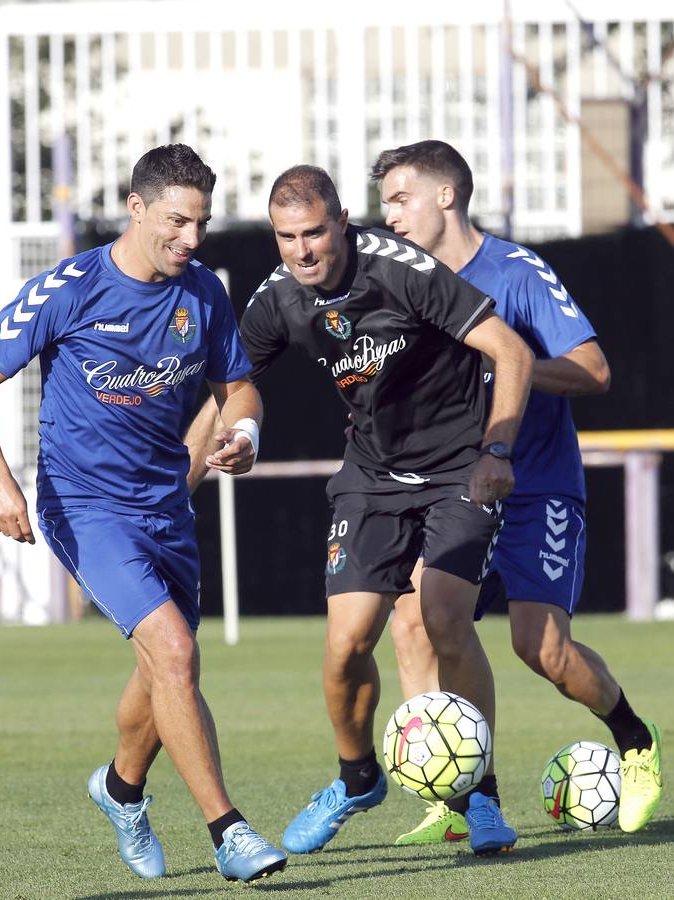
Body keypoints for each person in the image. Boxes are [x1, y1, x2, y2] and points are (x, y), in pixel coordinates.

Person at [0, 144, 287, 885]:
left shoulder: (202, 292)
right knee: (173, 652)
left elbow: (239, 389)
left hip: (167, 506)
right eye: (177, 221)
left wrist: (245, 435)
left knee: (163, 668)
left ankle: (121, 788)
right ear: (136, 209)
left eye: (200, 223)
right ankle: (229, 832)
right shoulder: (68, 289)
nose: (192, 239)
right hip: (84, 506)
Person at [186, 164, 534, 856]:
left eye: (314, 232)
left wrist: (497, 450)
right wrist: (182, 485)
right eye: (287, 237)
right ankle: (356, 778)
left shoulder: (401, 271)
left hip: (459, 469)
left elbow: (512, 352)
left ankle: (483, 795)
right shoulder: (277, 299)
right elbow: (229, 390)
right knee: (345, 646)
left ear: (342, 222)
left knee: (442, 616)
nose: (302, 250)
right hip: (372, 478)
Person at [370, 139, 662, 845]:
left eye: (401, 199)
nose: (391, 217)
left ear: (446, 195)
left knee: (543, 650)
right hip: (454, 489)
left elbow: (594, 372)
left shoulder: (518, 272)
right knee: (412, 622)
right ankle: (462, 791)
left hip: (536, 488)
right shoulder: (401, 279)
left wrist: (516, 366)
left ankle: (636, 740)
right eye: (384, 206)